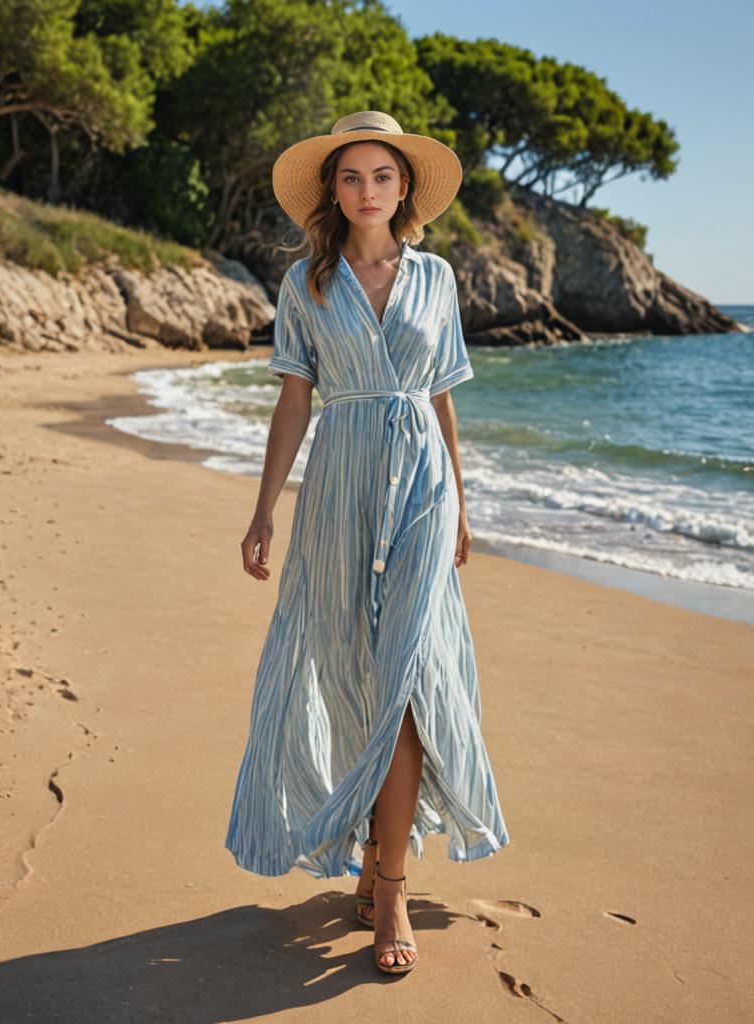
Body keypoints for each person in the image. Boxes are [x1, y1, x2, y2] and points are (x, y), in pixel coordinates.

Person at [225, 110, 510, 975]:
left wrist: (461, 502)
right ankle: (373, 846)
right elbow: (292, 402)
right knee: (350, 672)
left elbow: (444, 399)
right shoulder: (305, 285)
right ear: (332, 192)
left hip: (422, 487)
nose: (367, 190)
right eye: (351, 177)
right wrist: (265, 508)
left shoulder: (437, 277)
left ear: (404, 187)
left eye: (382, 176)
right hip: (341, 487)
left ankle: (389, 889)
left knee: (410, 677)